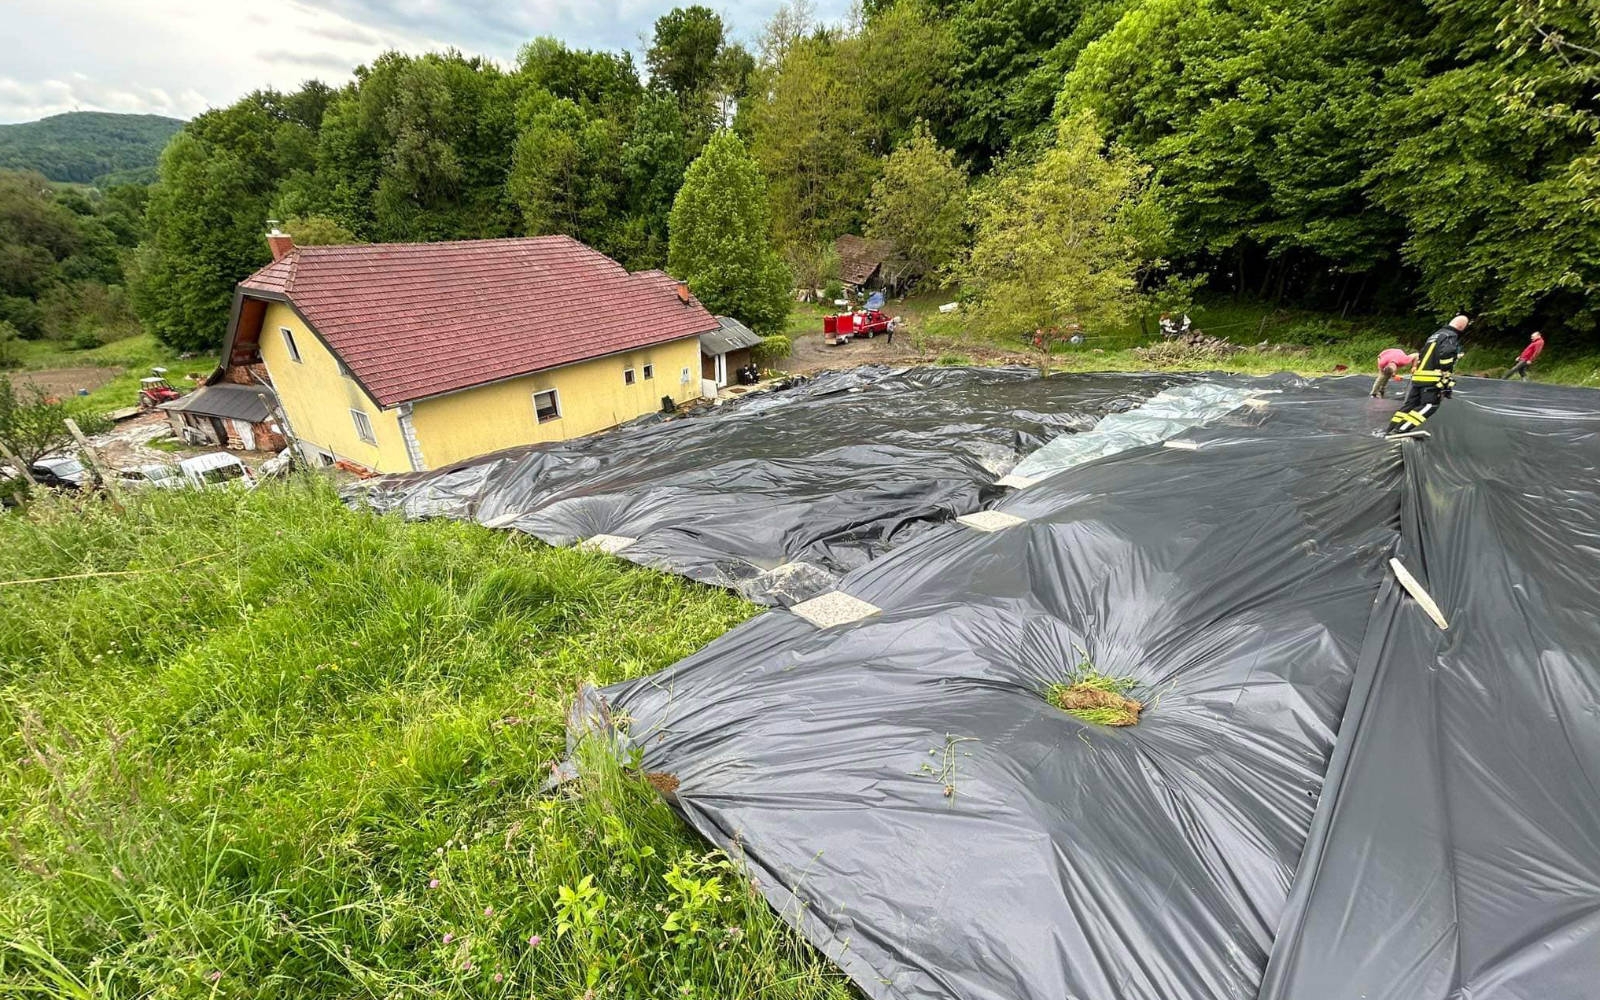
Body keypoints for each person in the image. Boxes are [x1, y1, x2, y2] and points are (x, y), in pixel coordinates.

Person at [1386, 315, 1466, 436]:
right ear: (1462, 327)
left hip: (1419, 376)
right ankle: (1401, 429)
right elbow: (1446, 354)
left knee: (1410, 405)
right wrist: (1446, 373)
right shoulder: (1451, 336)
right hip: (1432, 378)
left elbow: (1422, 354)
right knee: (1430, 405)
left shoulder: (1435, 335)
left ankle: (1391, 428)